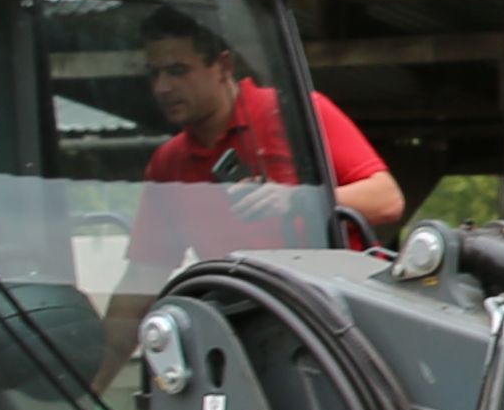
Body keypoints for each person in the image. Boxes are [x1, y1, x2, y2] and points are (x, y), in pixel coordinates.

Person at [131, 13, 406, 246]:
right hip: (246, 301)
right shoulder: (167, 164)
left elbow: (387, 200)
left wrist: (297, 200)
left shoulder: (297, 113)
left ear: (223, 66)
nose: (162, 88)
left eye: (177, 71)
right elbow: (144, 275)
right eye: (154, 74)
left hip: (333, 301)